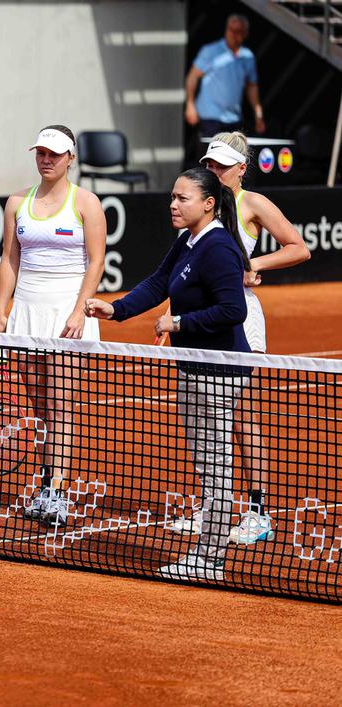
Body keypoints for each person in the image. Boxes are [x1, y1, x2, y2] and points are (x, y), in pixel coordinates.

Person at [85, 167, 251, 582]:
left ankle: (210, 559)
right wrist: (117, 309)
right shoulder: (188, 241)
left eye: (183, 198)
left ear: (209, 203)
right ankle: (208, 552)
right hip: (194, 366)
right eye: (172, 197)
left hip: (220, 370)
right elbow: (160, 282)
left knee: (216, 468)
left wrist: (178, 323)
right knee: (207, 462)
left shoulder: (219, 248)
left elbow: (234, 310)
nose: (173, 205)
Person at [169, 132, 309, 546]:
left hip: (239, 319)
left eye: (222, 166)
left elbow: (299, 248)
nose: (213, 171)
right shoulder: (197, 208)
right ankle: (214, 507)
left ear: (241, 169)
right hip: (199, 320)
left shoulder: (253, 204)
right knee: (202, 419)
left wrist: (254, 263)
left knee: (240, 414)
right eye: (210, 164)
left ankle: (258, 512)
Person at [0, 124, 106, 527]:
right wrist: (2, 311)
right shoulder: (15, 203)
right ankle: (46, 484)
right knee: (42, 408)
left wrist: (79, 312)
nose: (46, 159)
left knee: (62, 405)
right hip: (26, 312)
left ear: (70, 158)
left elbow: (96, 261)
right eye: (41, 152)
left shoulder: (87, 204)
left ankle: (55, 491)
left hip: (66, 315)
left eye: (55, 154)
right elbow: (10, 260)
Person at [185, 15, 265, 141]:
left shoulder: (247, 57)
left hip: (233, 118)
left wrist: (258, 113)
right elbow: (192, 77)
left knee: (231, 158)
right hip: (210, 117)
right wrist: (190, 104)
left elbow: (251, 86)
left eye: (237, 31)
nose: (233, 34)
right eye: (230, 30)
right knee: (211, 156)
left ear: (245, 34)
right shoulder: (211, 51)